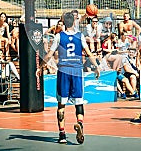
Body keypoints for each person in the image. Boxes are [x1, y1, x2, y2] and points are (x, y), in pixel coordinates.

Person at [36, 12, 100, 144]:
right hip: (77, 71)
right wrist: (96, 67)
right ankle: (80, 123)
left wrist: (40, 66)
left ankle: (62, 134)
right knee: (79, 102)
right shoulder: (80, 36)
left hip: (64, 71)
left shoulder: (59, 36)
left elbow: (49, 54)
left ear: (63, 22)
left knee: (61, 105)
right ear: (74, 21)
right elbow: (88, 53)